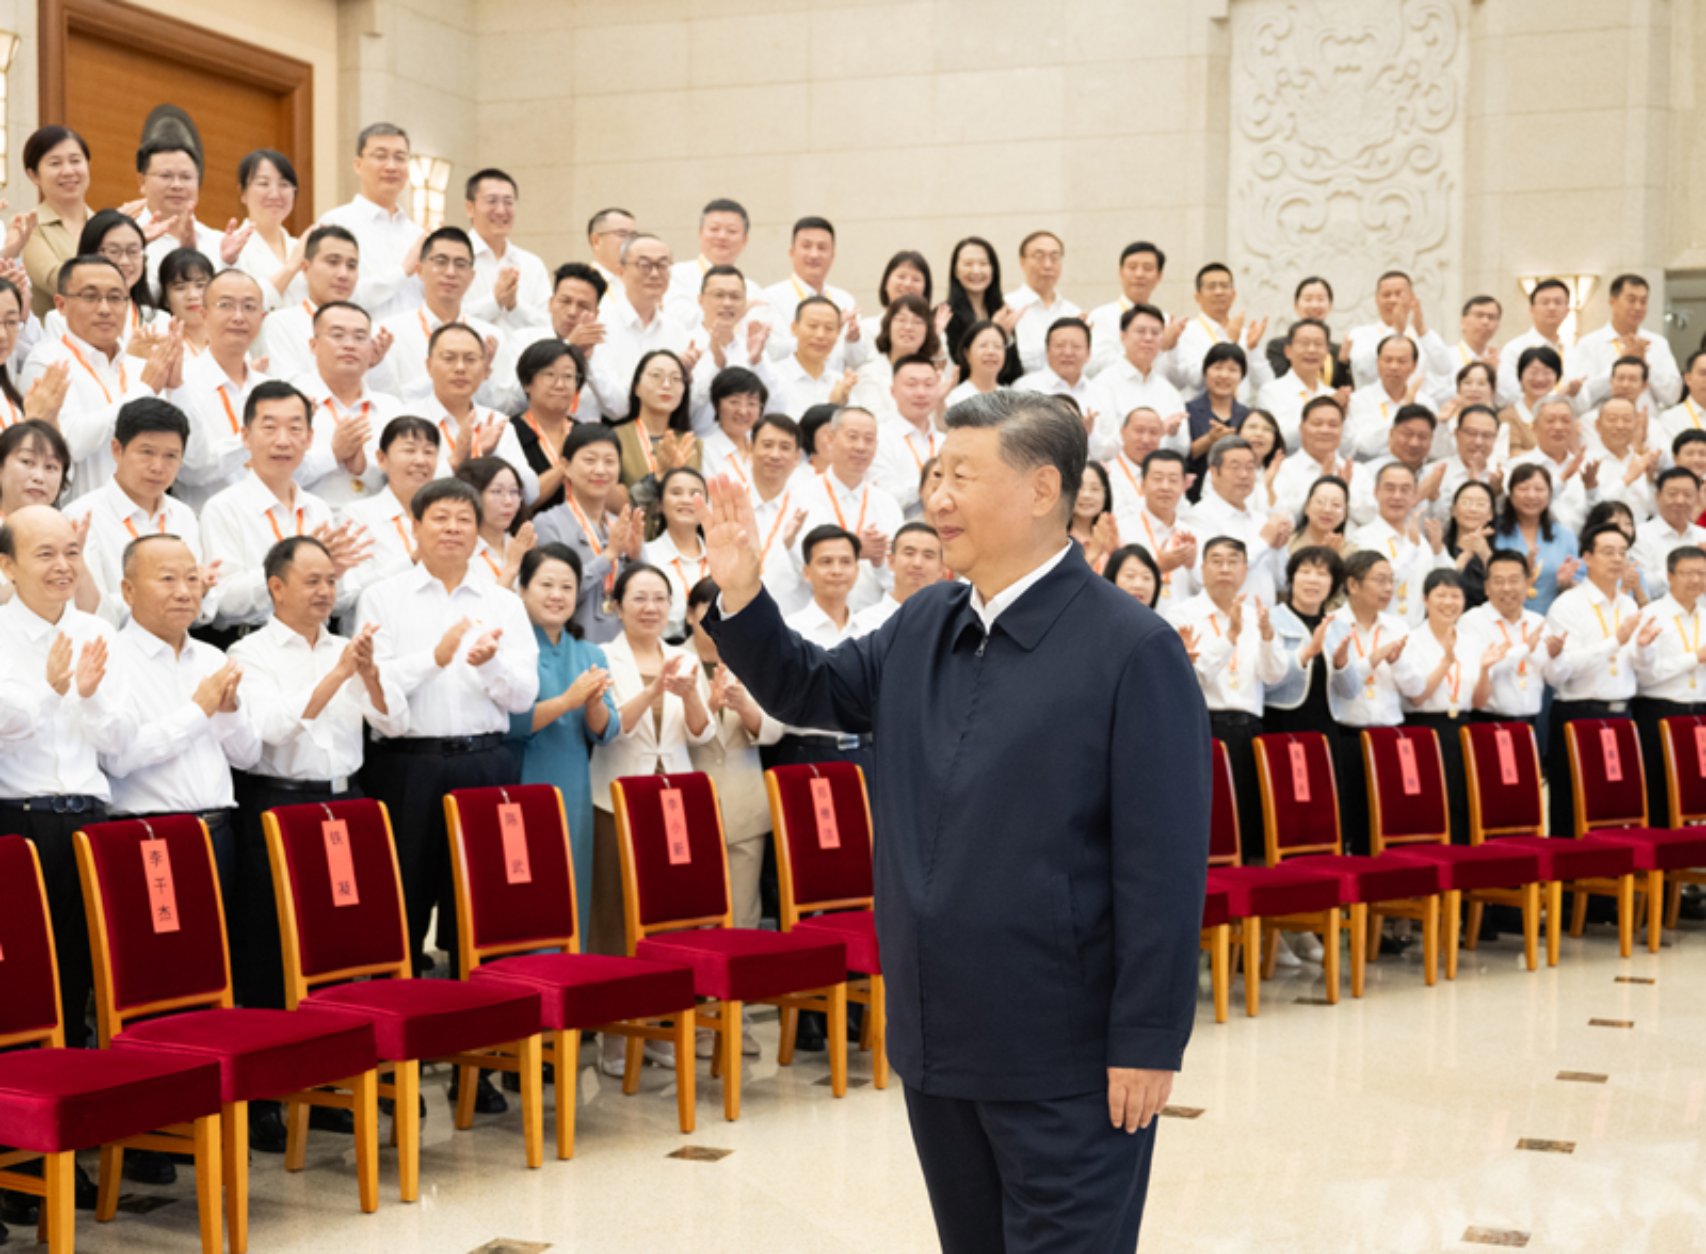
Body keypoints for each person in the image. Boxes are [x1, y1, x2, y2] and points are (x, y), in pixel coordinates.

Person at [698, 389, 1206, 1249]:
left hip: (1065, 1052)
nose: (937, 497)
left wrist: (1149, 1040)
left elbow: (1163, 867)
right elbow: (810, 689)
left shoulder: (1132, 649)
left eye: (962, 476)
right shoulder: (927, 620)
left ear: (1042, 489)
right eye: (935, 474)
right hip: (939, 1034)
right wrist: (743, 593)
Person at [355, 478, 538, 975]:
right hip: (408, 765)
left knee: (483, 901)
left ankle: (482, 1013)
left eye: (464, 519)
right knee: (403, 898)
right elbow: (375, 682)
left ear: (479, 531)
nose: (453, 528)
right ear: (414, 527)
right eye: (440, 518)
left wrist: (490, 665)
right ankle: (402, 1013)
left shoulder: (503, 603)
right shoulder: (382, 597)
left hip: (486, 763)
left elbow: (524, 696)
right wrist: (433, 659)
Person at [227, 535, 406, 1010]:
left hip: (346, 803)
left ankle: (342, 1033)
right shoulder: (249, 654)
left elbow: (395, 723)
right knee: (276, 933)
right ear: (277, 587)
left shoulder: (348, 648)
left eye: (331, 581)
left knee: (342, 928)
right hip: (281, 803)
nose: (326, 591)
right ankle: (277, 1045)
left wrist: (369, 676)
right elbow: (270, 728)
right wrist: (338, 676)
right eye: (312, 581)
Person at [0, 506, 124, 1051]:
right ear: (7, 564)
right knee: (22, 960)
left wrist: (91, 700)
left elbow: (119, 743)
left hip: (89, 818)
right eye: (45, 554)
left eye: (71, 552)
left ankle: (80, 1074)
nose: (63, 565)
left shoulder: (97, 631)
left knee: (86, 961)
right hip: (18, 819)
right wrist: (50, 692)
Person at [588, 562, 713, 1068]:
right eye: (638, 598)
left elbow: (702, 734)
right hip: (615, 800)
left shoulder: (685, 658)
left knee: (671, 919)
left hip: (673, 801)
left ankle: (662, 1030)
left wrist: (689, 695)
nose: (650, 607)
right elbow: (607, 730)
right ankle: (616, 1036)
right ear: (617, 606)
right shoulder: (600, 657)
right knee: (616, 920)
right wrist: (653, 691)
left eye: (659, 598)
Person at [102, 532, 260, 923]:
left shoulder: (211, 657)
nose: (185, 592)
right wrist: (198, 711)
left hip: (218, 831)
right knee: (160, 953)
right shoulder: (111, 657)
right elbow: (120, 759)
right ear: (128, 590)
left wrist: (229, 712)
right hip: (150, 834)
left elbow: (247, 757)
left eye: (193, 579)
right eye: (167, 579)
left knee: (216, 951)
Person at [506, 543, 620, 959]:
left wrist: (593, 707)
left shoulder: (590, 653)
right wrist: (568, 701)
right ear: (522, 590)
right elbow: (510, 724)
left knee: (572, 883)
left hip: (572, 785)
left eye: (567, 587)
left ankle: (570, 985)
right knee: (527, 888)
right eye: (546, 585)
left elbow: (607, 729)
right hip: (521, 783)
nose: (557, 595)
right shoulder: (510, 651)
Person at [683, 576, 781, 1045]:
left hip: (744, 803)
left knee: (743, 917)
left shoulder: (752, 659)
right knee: (695, 919)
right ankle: (698, 1022)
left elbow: (775, 730)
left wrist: (745, 707)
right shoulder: (675, 661)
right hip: (691, 808)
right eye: (706, 614)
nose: (714, 624)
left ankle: (736, 1021)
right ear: (691, 616)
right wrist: (704, 700)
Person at [199, 381, 368, 640]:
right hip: (252, 641)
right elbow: (223, 603)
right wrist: (292, 571)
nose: (282, 441)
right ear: (245, 436)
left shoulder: (317, 508)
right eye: (269, 428)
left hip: (316, 640)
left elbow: (340, 604)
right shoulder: (223, 508)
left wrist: (335, 576)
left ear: (309, 438)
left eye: (295, 429)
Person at [21, 254, 177, 499]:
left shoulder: (139, 366)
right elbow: (70, 445)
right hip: (79, 514)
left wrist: (176, 385)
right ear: (61, 305)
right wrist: (143, 390)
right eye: (90, 297)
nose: (104, 309)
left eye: (115, 298)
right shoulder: (48, 362)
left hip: (144, 509)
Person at [1172, 536, 1291, 859]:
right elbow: (1190, 679)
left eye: (1233, 561)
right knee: (1208, 818)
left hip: (1249, 729)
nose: (1225, 569)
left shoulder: (1257, 616)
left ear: (1244, 570)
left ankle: (1246, 886)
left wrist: (1267, 639)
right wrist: (1230, 638)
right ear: (1202, 568)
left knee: (1248, 819)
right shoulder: (1183, 615)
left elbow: (1274, 676)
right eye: (1217, 561)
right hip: (1203, 727)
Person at [1543, 522, 1656, 836]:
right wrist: (1614, 642)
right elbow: (1561, 671)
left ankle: (1613, 868)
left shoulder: (1629, 604)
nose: (1617, 559)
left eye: (1622, 552)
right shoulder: (1568, 605)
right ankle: (1569, 869)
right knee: (1574, 809)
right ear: (1587, 558)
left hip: (1622, 715)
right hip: (1579, 714)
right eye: (1608, 552)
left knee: (1618, 809)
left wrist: (1643, 648)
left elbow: (1642, 669)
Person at [62, 397, 200, 626]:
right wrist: (166, 600)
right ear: (117, 450)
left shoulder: (183, 515)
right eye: (147, 452)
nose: (158, 467)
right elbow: (90, 609)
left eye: (171, 456)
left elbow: (203, 606)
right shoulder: (80, 517)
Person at [766, 525, 876, 776]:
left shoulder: (872, 630)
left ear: (857, 570)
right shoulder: (790, 631)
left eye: (845, 562)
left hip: (866, 753)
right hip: (806, 754)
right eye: (826, 562)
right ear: (807, 572)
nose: (836, 570)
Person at [1392, 569, 1492, 843]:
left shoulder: (1472, 642)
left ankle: (1462, 864)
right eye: (1441, 595)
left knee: (1464, 805)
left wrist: (1485, 670)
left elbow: (1480, 701)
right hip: (1424, 731)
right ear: (1425, 600)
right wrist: (1446, 662)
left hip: (1463, 730)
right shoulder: (1411, 640)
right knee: (1430, 806)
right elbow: (1416, 697)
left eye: (1455, 596)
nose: (1448, 602)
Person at [1324, 550, 1410, 853]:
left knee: (1392, 822)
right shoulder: (1332, 625)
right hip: (1348, 735)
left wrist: (1397, 662)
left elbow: (1414, 689)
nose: (1388, 588)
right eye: (1380, 580)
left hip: (1390, 735)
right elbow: (1339, 686)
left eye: (1391, 581)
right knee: (1353, 820)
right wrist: (1373, 659)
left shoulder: (1398, 627)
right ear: (1353, 584)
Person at [171, 267, 273, 510]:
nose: (238, 317)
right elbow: (189, 470)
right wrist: (256, 438)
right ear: (203, 314)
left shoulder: (268, 389)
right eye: (225, 305)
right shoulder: (180, 383)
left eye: (249, 307)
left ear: (261, 317)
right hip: (205, 521)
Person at [370, 226, 508, 405]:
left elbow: (504, 406)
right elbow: (387, 401)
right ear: (419, 270)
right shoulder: (389, 332)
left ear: (471, 276)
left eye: (460, 264)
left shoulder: (491, 336)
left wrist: (483, 377)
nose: (450, 272)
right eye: (441, 262)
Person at [531, 423, 643, 642]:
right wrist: (608, 556)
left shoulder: (621, 525)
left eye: (609, 461)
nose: (600, 470)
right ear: (566, 467)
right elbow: (553, 595)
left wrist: (634, 558)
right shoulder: (547, 524)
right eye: (590, 460)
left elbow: (647, 590)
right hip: (571, 644)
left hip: (624, 645)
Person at [290, 300, 401, 509]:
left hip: (377, 523)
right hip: (308, 521)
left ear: (371, 347)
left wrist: (364, 469)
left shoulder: (391, 408)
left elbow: (407, 482)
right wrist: (332, 455)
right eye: (338, 335)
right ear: (313, 346)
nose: (349, 345)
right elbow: (273, 475)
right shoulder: (290, 401)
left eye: (360, 337)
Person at [796, 406, 903, 612]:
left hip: (873, 619)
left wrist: (879, 562)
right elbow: (796, 566)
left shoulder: (887, 504)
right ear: (830, 439)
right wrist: (855, 550)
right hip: (814, 617)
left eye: (869, 439)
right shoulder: (802, 497)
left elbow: (897, 579)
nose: (861, 447)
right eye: (852, 437)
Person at [1631, 544, 1706, 823]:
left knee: (1698, 792)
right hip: (1660, 711)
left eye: (1702, 573)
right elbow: (1645, 676)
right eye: (1687, 573)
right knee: (1661, 791)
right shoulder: (1652, 615)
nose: (1695, 580)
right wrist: (1694, 658)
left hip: (1701, 713)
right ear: (1670, 576)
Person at [424, 322, 540, 503]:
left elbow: (531, 494)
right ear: (429, 365)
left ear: (485, 369)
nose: (460, 368)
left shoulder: (496, 422)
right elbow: (408, 488)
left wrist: (493, 454)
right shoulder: (409, 420)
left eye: (470, 359)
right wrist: (457, 460)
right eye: (449, 358)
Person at [318, 122, 421, 321]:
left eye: (400, 158)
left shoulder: (417, 234)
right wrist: (403, 272)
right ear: (358, 165)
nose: (391, 166)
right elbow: (333, 296)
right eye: (381, 156)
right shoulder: (335, 223)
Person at [338, 415, 442, 606]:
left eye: (429, 452)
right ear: (381, 459)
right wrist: (412, 560)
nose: (421, 460)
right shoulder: (357, 515)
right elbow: (348, 596)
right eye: (409, 450)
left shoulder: (446, 517)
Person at [589, 233, 693, 421]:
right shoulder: (601, 325)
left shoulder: (676, 329)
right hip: (615, 431)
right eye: (644, 265)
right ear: (621, 271)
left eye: (662, 265)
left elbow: (686, 403)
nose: (654, 274)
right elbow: (616, 406)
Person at [1266, 545, 1348, 758]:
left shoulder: (1339, 627)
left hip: (1326, 726)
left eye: (1322, 574)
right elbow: (1267, 683)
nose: (1313, 580)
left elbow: (1351, 691)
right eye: (1305, 571)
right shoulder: (1271, 620)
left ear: (1333, 584)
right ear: (1291, 579)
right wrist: (1305, 656)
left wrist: (1341, 665)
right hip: (1281, 724)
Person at [1459, 548, 1553, 726]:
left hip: (1531, 722)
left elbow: (1553, 678)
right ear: (1487, 588)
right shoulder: (1471, 622)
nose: (1507, 588)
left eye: (1514, 580)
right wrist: (1525, 649)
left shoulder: (1538, 623)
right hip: (1488, 722)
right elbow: (1480, 673)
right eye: (1498, 581)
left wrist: (1557, 656)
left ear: (1527, 584)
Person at [1349, 461, 1451, 625]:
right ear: (1376, 492)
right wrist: (1411, 549)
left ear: (1414, 495)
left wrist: (1438, 551)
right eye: (1390, 489)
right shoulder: (1361, 539)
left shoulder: (1421, 542)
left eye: (1405, 490)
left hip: (1416, 633)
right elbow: (1380, 582)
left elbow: (1442, 583)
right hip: (1375, 630)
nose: (1397, 496)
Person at [1192, 435, 1291, 604]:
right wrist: (1264, 541)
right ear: (1214, 472)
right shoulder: (1199, 517)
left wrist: (1278, 549)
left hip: (1264, 616)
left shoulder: (1260, 520)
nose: (1244, 475)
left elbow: (1283, 582)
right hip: (1224, 616)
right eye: (1235, 467)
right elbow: (1208, 576)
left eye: (1250, 468)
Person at [258, 224, 363, 383]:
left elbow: (387, 392)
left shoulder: (368, 329)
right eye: (333, 262)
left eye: (351, 266)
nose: (343, 274)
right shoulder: (281, 324)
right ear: (305, 268)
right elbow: (285, 386)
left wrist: (377, 365)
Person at [761, 216, 867, 372]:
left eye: (822, 248)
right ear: (792, 252)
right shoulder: (770, 298)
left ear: (832, 255)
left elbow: (856, 361)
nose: (814, 254)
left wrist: (852, 340)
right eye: (806, 246)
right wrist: (830, 329)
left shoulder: (844, 300)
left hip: (835, 385)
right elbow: (773, 351)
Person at [1569, 274, 1680, 416]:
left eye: (1643, 301)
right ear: (1612, 301)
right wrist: (1621, 362)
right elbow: (1583, 396)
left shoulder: (1657, 343)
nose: (1638, 307)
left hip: (1647, 423)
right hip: (1605, 424)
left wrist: (1645, 365)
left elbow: (1673, 396)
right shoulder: (1589, 343)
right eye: (1631, 300)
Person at [1087, 303, 1186, 462]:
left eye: (1155, 333)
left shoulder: (1169, 392)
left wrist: (1170, 434)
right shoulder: (1102, 385)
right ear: (1123, 336)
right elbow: (1098, 446)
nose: (1148, 338)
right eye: (1140, 331)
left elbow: (1183, 449)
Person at [1169, 262, 1273, 400]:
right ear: (1197, 297)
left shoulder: (1244, 334)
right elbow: (1195, 380)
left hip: (1241, 410)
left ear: (1233, 295)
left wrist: (1252, 348)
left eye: (1224, 286)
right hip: (1202, 410)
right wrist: (1229, 341)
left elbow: (1267, 383)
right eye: (1211, 287)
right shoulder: (1187, 332)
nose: (1219, 292)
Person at [463, 168, 550, 333]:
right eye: (491, 201)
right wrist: (494, 301)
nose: (501, 210)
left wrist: (514, 306)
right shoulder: (455, 261)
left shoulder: (531, 264)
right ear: (470, 208)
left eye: (508, 202)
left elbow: (548, 325)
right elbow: (448, 319)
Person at [19, 125, 92, 319]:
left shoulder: (103, 223)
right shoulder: (27, 226)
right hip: (53, 335)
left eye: (75, 161)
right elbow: (58, 281)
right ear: (33, 175)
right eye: (55, 163)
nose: (68, 171)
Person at [131, 136, 223, 286]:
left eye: (186, 177)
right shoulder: (128, 239)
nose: (177, 185)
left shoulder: (219, 243)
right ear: (142, 182)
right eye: (166, 176)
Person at [615, 348, 699, 511]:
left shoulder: (695, 445)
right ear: (636, 387)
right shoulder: (614, 439)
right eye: (656, 376)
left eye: (676, 379)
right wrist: (656, 480)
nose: (666, 385)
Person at [508, 339, 586, 513]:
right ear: (527, 383)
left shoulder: (585, 433)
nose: (560, 385)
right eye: (550, 375)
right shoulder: (509, 433)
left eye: (568, 377)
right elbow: (514, 501)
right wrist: (565, 466)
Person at [1504, 395, 1601, 535]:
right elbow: (1516, 509)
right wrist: (1563, 477)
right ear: (1534, 427)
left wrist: (1591, 488)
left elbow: (1599, 514)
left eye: (1566, 421)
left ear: (1575, 426)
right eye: (1550, 421)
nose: (1558, 427)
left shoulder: (1588, 466)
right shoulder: (1515, 467)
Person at [1491, 463, 1580, 615]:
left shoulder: (1565, 535)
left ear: (1549, 495)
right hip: (1502, 617)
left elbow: (1578, 588)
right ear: (1510, 494)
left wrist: (1566, 583)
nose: (1531, 495)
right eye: (1523, 489)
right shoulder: (1493, 531)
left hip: (1552, 618)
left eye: (1539, 489)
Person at [1342, 271, 1450, 392]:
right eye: (1386, 295)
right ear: (1376, 299)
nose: (1393, 300)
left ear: (1412, 298)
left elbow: (1444, 368)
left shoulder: (1422, 336)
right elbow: (1365, 369)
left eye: (1399, 294)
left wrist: (1422, 330)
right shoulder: (1360, 334)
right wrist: (1396, 330)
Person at [226, 149, 304, 307]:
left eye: (284, 184)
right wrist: (291, 268)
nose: (275, 194)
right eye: (263, 184)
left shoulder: (300, 247)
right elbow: (245, 305)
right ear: (243, 193)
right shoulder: (231, 250)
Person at [644, 466, 711, 639]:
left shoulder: (720, 557)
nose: (686, 500)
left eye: (695, 493)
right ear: (659, 505)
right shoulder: (646, 555)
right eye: (676, 492)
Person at [942, 236, 1020, 385]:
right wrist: (993, 332)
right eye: (968, 264)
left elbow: (1014, 373)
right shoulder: (945, 315)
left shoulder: (1002, 311)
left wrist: (1007, 338)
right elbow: (957, 372)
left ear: (993, 269)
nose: (976, 270)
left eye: (983, 264)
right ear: (956, 271)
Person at [1255, 317, 1341, 451]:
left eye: (1318, 344)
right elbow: (1279, 439)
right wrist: (1320, 413)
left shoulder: (1332, 395)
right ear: (1288, 351)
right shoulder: (1271, 392)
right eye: (1304, 343)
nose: (1311, 350)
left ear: (1327, 353)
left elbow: (1348, 446)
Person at [666, 198, 764, 315]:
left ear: (745, 240)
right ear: (700, 233)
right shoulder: (674, 276)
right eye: (714, 229)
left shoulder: (753, 290)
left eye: (732, 231)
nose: (722, 236)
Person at [853, 294, 942, 421]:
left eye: (917, 322)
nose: (908, 327)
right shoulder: (869, 372)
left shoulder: (934, 374)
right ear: (888, 325)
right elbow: (874, 420)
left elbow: (943, 424)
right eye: (901, 320)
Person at [1349, 404, 1441, 527]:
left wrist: (1434, 500)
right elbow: (1364, 516)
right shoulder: (1366, 472)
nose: (1414, 443)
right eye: (1407, 434)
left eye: (1422, 437)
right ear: (1391, 433)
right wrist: (1418, 496)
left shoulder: (1433, 476)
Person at [769, 295, 858, 419]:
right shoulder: (773, 377)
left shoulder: (840, 382)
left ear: (838, 333)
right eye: (812, 326)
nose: (820, 335)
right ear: (794, 328)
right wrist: (832, 405)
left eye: (829, 328)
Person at [1005, 230, 1080, 374]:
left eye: (1055, 257)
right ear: (1022, 262)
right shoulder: (1007, 307)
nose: (1048, 265)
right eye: (1039, 257)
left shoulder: (1073, 313)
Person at [454, 455, 534, 588]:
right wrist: (512, 566)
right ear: (473, 496)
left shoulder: (521, 546)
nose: (508, 501)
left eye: (514, 491)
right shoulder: (459, 552)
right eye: (497, 491)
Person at [1088, 241, 1167, 376]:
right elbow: (1095, 364)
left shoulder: (1166, 321)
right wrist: (1160, 348)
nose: (1139, 274)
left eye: (1147, 268)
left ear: (1159, 276)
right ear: (1121, 272)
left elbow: (1174, 374)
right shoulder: (1100, 316)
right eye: (1132, 267)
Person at [853, 521, 944, 636]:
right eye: (909, 553)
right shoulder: (863, 624)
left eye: (928, 556)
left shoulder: (952, 623)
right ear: (891, 561)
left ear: (941, 568)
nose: (917, 563)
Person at [1346, 335, 1428, 461]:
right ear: (1377, 363)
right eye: (1388, 360)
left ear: (1414, 366)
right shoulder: (1358, 400)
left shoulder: (1425, 402)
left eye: (1401, 361)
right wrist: (1403, 409)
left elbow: (1435, 450)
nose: (1394, 366)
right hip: (1372, 468)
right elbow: (1365, 445)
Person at [1184, 341, 1251, 491]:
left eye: (1232, 370)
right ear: (1205, 372)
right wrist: (1210, 439)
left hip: (1238, 492)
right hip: (1195, 491)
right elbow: (1180, 456)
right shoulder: (1187, 411)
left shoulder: (1248, 416)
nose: (1224, 375)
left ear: (1241, 377)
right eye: (1218, 368)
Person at [1271, 396, 1351, 519]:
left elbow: (1370, 516)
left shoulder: (1357, 471)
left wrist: (1344, 492)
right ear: (1301, 429)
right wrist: (1320, 488)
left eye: (1333, 425)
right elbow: (1278, 516)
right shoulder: (1281, 470)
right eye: (1317, 424)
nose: (1325, 430)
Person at [1631, 468, 1706, 597]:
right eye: (1672, 494)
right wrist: (1686, 568)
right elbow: (1641, 583)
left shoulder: (1703, 535)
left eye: (1687, 495)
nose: (1680, 500)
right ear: (1657, 496)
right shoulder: (1639, 535)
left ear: (1697, 498)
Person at [1264, 276, 1345, 386]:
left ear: (1330, 306)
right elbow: (1279, 382)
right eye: (1308, 299)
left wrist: (1343, 362)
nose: (1314, 305)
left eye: (1321, 299)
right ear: (1296, 306)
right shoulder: (1278, 347)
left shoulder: (1340, 351)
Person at [698, 366, 768, 489]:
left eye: (751, 403)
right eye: (734, 402)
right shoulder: (701, 451)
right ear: (717, 405)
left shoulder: (766, 450)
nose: (743, 411)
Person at [1499, 345, 1574, 460]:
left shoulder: (1565, 413)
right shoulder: (1508, 417)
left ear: (1557, 377)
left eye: (1547, 373)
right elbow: (1511, 454)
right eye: (1533, 373)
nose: (1540, 379)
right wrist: (1552, 456)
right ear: (1520, 376)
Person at [1433, 402, 1504, 521]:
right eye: (1471, 433)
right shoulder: (1435, 473)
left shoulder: (1503, 476)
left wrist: (1497, 494)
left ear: (1495, 438)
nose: (1478, 442)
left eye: (1487, 435)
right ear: (1457, 433)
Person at [1015, 316, 1095, 415]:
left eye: (1076, 346)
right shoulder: (1025, 388)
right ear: (1047, 351)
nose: (1068, 352)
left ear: (1088, 353)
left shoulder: (1100, 393)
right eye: (1060, 345)